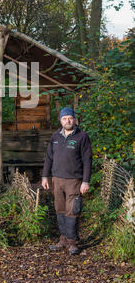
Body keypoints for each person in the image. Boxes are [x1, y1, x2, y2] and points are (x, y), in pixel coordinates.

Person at [41, 106, 92, 255]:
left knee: (73, 210)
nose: (67, 120)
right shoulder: (55, 137)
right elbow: (49, 158)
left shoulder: (82, 136)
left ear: (75, 120)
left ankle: (73, 242)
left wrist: (85, 181)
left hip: (74, 180)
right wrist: (45, 176)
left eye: (70, 118)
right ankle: (63, 240)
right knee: (60, 209)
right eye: (64, 118)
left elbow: (87, 160)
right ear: (61, 120)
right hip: (57, 180)